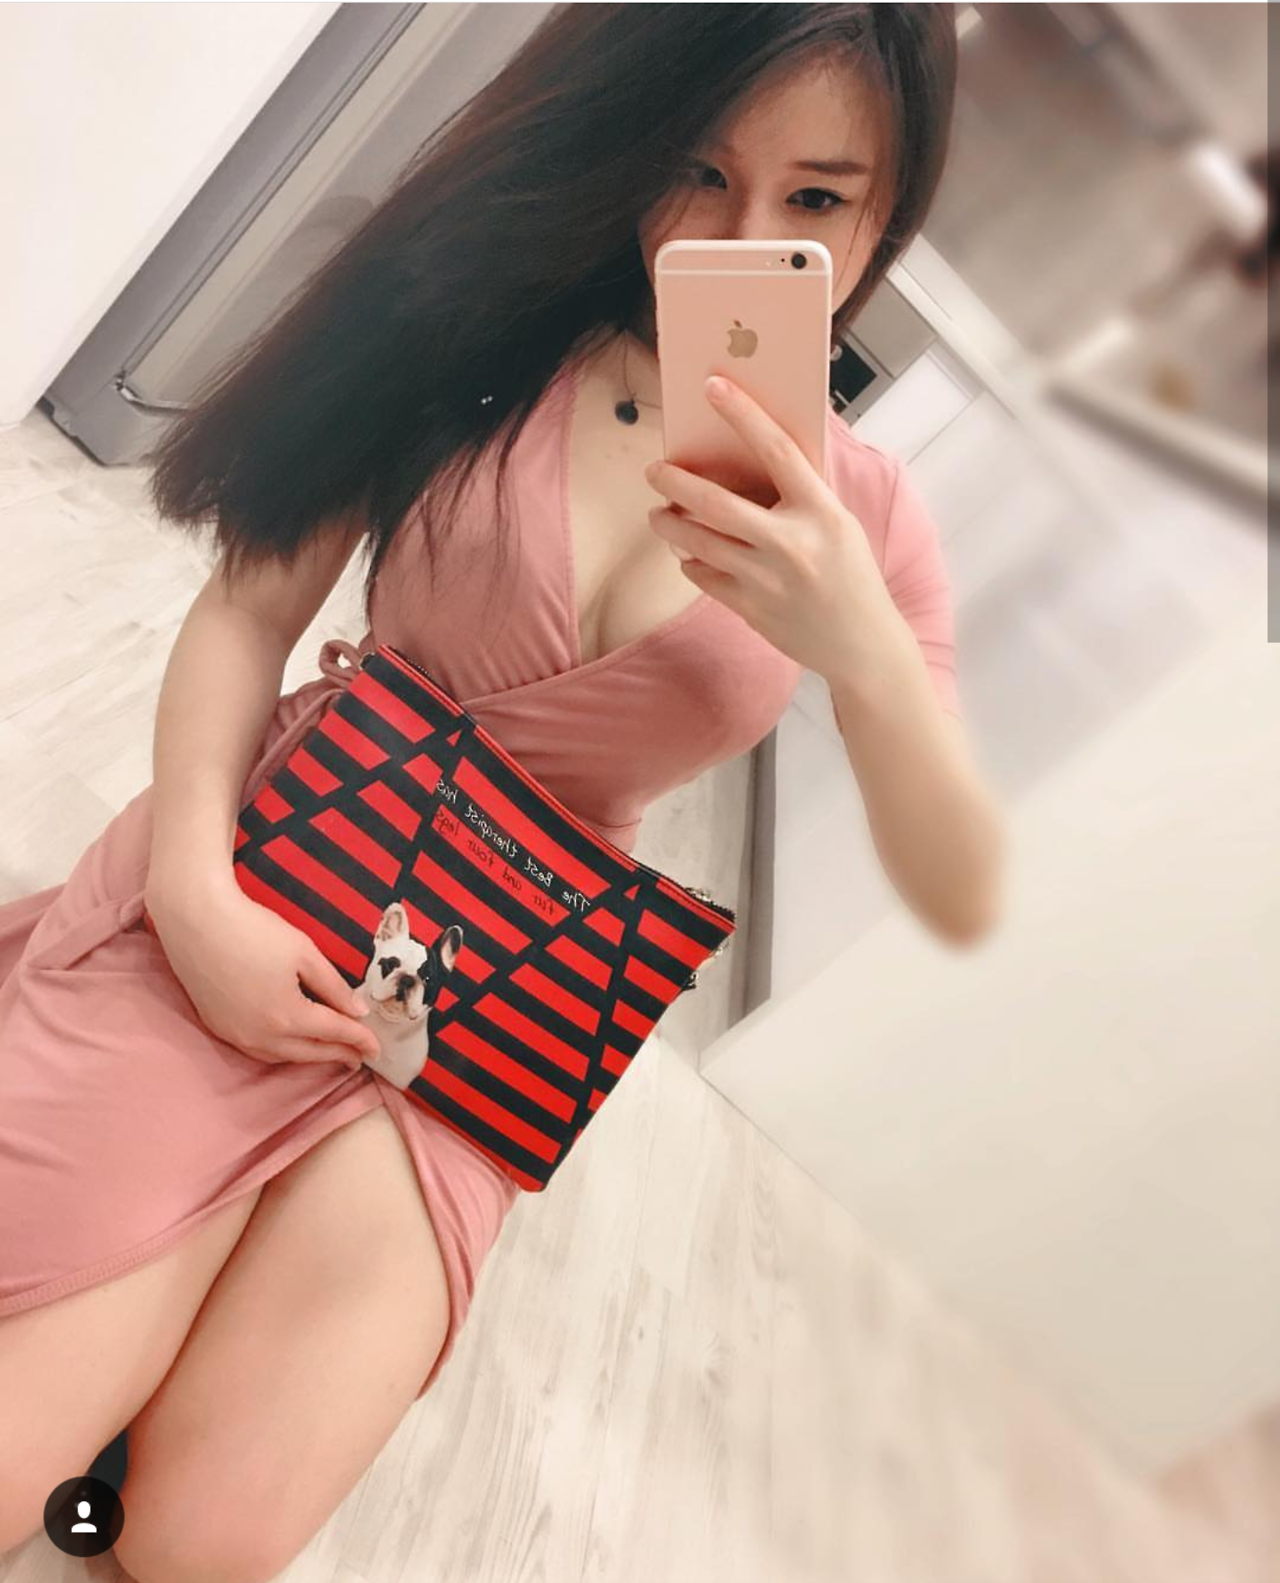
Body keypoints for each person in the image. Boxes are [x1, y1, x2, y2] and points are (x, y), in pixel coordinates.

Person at [0, 4, 1004, 1572]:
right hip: (281, 870)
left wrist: (862, 649)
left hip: (490, 1003)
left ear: (888, 210)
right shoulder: (481, 325)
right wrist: (191, 889)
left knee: (202, 1543)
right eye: (697, 169)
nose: (740, 235)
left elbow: (958, 882)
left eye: (816, 197)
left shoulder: (866, 523)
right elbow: (250, 612)